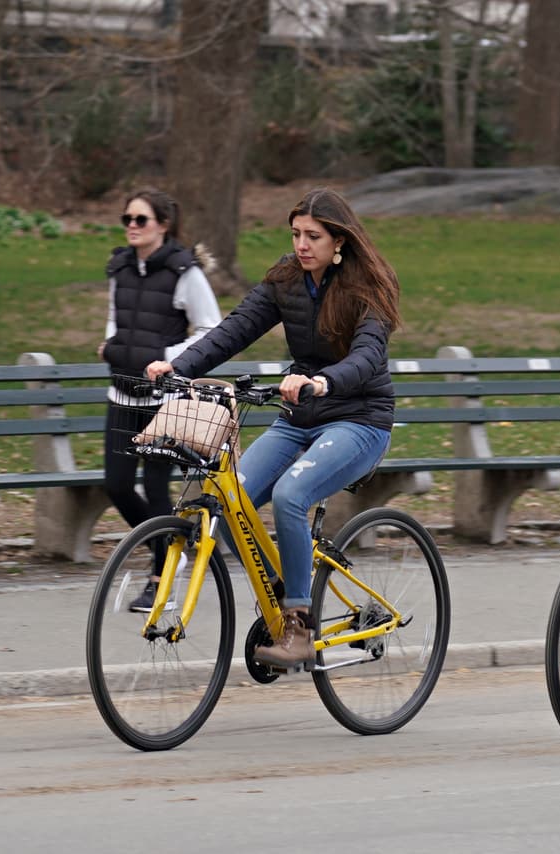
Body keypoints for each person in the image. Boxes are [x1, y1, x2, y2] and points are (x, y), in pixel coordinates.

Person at [146, 187, 401, 667]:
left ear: (339, 240)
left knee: (290, 495)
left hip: (359, 420)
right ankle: (283, 594)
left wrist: (324, 381)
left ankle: (299, 626)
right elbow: (234, 330)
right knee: (229, 502)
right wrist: (178, 366)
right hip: (299, 417)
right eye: (296, 234)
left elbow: (368, 355)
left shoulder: (369, 286)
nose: (302, 245)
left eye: (313, 236)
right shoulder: (287, 279)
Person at [98, 188, 222, 612]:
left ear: (163, 225)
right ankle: (172, 544)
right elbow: (115, 318)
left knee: (154, 486)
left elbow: (210, 329)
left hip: (162, 400)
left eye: (141, 219)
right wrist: (112, 346)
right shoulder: (120, 267)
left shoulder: (185, 272)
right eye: (127, 219)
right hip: (121, 395)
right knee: (116, 485)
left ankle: (160, 577)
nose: (132, 226)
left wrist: (167, 357)